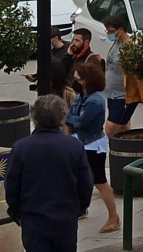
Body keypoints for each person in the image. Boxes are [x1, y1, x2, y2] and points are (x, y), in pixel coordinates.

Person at [4, 95, 93, 252]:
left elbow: (12, 186)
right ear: (62, 117)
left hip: (33, 219)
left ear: (34, 117)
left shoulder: (21, 148)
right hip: (65, 219)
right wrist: (79, 208)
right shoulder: (74, 146)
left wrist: (16, 212)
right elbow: (85, 183)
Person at [67, 62, 121, 233]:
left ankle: (114, 217)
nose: (75, 81)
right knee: (78, 177)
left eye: (78, 78)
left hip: (93, 145)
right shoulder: (81, 96)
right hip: (80, 142)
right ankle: (80, 209)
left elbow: (80, 122)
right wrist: (73, 120)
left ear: (86, 81)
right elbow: (71, 116)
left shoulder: (95, 100)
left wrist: (73, 121)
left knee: (100, 182)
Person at [102, 15, 137, 137]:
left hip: (123, 96)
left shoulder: (129, 46)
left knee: (110, 129)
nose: (109, 34)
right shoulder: (116, 43)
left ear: (121, 29)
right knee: (123, 128)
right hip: (112, 94)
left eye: (111, 31)